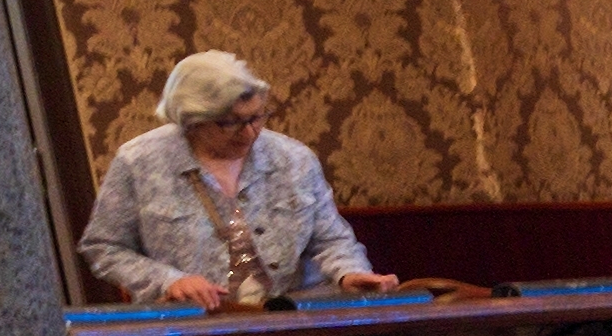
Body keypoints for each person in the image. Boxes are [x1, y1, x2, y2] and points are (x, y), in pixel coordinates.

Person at [84, 48, 386, 311]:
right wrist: (169, 281)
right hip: (195, 333)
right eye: (230, 123)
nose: (249, 133)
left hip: (296, 327)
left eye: (256, 117)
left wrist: (349, 272)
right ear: (190, 121)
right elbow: (104, 247)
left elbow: (331, 240)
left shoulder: (294, 159)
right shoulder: (138, 162)